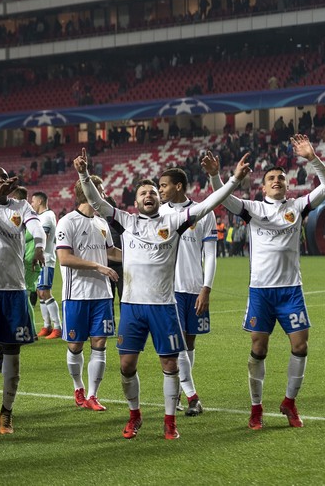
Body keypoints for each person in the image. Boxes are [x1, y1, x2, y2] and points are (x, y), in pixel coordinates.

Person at [74, 148, 249, 440]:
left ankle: (170, 421)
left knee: (169, 364)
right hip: (131, 306)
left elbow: (208, 204)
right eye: (143, 192)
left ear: (159, 197)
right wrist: (82, 173)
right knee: (126, 366)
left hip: (163, 306)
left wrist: (232, 180)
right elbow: (96, 201)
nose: (149, 195)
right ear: (136, 200)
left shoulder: (175, 221)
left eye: (153, 191)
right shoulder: (126, 222)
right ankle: (135, 415)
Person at [202, 134, 325, 430]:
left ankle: (289, 402)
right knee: (259, 349)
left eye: (281, 177)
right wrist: (216, 175)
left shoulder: (298, 206)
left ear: (287, 184)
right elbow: (222, 197)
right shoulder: (253, 209)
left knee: (300, 346)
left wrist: (312, 158)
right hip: (261, 291)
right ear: (263, 186)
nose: (277, 180)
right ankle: (256, 407)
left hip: (291, 290)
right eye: (271, 178)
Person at [0, 167, 45, 435]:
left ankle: (7, 412)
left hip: (15, 288)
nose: (1, 181)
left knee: (12, 351)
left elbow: (36, 226)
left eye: (4, 177)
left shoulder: (21, 205)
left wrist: (38, 245)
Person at [56, 176, 121, 411]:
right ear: (87, 192)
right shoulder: (67, 222)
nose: (103, 194)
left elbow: (111, 251)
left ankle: (93, 395)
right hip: (76, 295)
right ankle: (78, 386)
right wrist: (98, 266)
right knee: (75, 346)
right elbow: (64, 258)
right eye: (100, 190)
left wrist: (140, 256)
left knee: (100, 343)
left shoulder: (102, 222)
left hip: (102, 294)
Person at [158, 167, 218, 417]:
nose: (160, 190)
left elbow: (211, 254)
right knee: (179, 345)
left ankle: (182, 390)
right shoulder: (159, 213)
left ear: (179, 186)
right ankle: (193, 396)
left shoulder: (204, 213)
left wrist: (206, 288)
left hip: (194, 288)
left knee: (189, 343)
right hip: (168, 289)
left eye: (163, 185)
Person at [30, 191, 61, 339]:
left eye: (33, 201)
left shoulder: (47, 216)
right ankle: (47, 326)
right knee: (40, 292)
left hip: (46, 259)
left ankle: (57, 327)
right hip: (40, 259)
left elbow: (45, 237)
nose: (32, 204)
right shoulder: (40, 216)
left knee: (45, 292)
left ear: (40, 201)